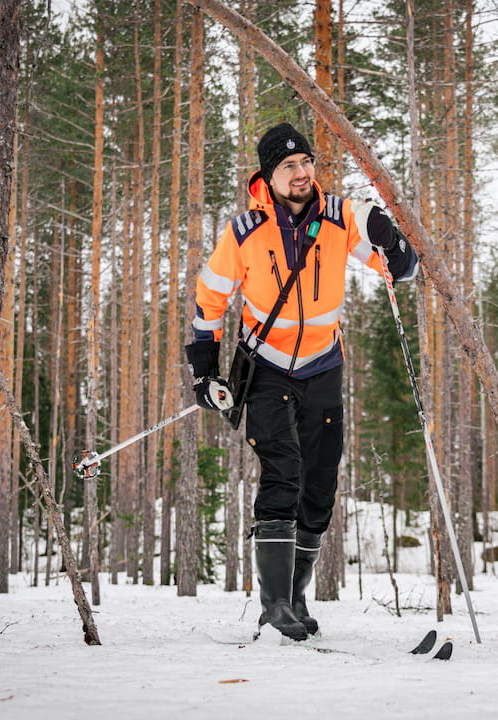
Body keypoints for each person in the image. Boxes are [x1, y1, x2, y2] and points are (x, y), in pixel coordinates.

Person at [185, 122, 418, 640]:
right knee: (283, 471)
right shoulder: (245, 231)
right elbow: (210, 299)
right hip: (266, 370)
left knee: (318, 486)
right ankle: (274, 607)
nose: (301, 173)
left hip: (323, 368)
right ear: (268, 176)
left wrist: (390, 240)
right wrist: (203, 370)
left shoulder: (339, 217)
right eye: (288, 166)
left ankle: (294, 596)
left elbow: (399, 270)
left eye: (306, 162)